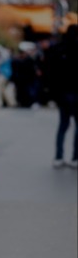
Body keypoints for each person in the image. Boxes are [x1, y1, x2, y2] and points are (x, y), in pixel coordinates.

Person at [46, 24, 78, 168]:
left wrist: (52, 95)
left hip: (62, 94)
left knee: (63, 125)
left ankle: (59, 156)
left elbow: (51, 73)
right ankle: (75, 158)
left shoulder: (57, 49)